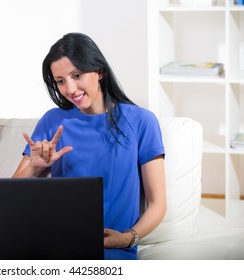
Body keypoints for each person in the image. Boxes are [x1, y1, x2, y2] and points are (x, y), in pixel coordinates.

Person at [13, 32, 167, 260]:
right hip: (53, 247)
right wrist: (35, 168)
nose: (71, 89)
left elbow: (158, 203)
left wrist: (128, 238)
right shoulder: (52, 121)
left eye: (77, 75)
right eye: (61, 81)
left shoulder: (141, 121)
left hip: (110, 252)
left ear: (100, 71)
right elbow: (10, 194)